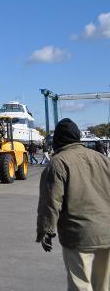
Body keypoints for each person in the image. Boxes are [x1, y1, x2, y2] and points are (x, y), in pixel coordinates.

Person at [36, 118, 110, 291]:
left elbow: (50, 202)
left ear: (57, 140)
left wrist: (45, 230)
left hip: (78, 234)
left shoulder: (58, 163)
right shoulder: (103, 159)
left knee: (81, 285)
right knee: (104, 285)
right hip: (107, 231)